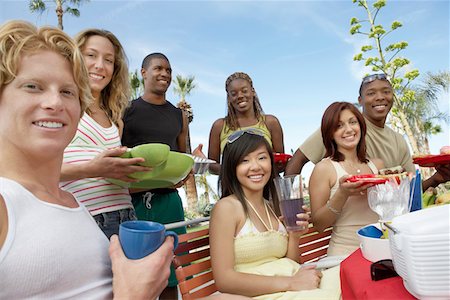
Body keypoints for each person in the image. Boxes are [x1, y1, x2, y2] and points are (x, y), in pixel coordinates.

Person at [0, 20, 174, 299]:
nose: (55, 103)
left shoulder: (113, 116)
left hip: (122, 213)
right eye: (33, 86)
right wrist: (93, 168)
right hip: (96, 213)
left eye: (67, 92)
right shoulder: (10, 204)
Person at [209, 130, 341, 299]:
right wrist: (291, 283)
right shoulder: (227, 208)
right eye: (245, 160)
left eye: (262, 158)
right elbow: (224, 280)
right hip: (259, 293)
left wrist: (294, 236)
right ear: (232, 168)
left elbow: (290, 263)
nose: (256, 166)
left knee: (346, 275)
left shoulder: (271, 207)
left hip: (289, 285)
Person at [285, 73, 450, 191]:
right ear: (360, 100)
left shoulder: (398, 140)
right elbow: (297, 160)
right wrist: (287, 206)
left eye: (386, 91)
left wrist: (436, 179)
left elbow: (411, 190)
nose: (380, 97)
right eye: (371, 93)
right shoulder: (343, 131)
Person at [59, 29, 149, 239]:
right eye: (91, 55)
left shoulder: (115, 118)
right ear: (75, 56)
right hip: (84, 219)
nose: (100, 65)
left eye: (109, 60)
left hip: (126, 217)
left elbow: (114, 175)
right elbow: (38, 171)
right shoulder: (61, 106)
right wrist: (91, 169)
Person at [121, 52, 189, 299]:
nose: (165, 74)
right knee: (136, 273)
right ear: (143, 72)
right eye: (159, 68)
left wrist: (186, 174)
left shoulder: (178, 115)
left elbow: (185, 155)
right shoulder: (126, 109)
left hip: (169, 200)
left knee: (171, 274)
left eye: (169, 70)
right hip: (132, 201)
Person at [308, 102, 384, 256]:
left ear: (361, 126)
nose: (348, 129)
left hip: (380, 249)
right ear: (330, 133)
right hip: (344, 253)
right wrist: (342, 194)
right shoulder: (324, 168)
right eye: (339, 126)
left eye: (352, 122)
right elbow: (319, 225)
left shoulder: (378, 165)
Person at [205, 71, 285, 174]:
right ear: (229, 98)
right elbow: (212, 166)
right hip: (233, 188)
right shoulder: (219, 126)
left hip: (266, 188)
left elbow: (280, 163)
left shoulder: (271, 122)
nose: (240, 96)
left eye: (244, 91)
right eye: (234, 94)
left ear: (253, 92)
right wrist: (235, 172)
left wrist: (257, 171)